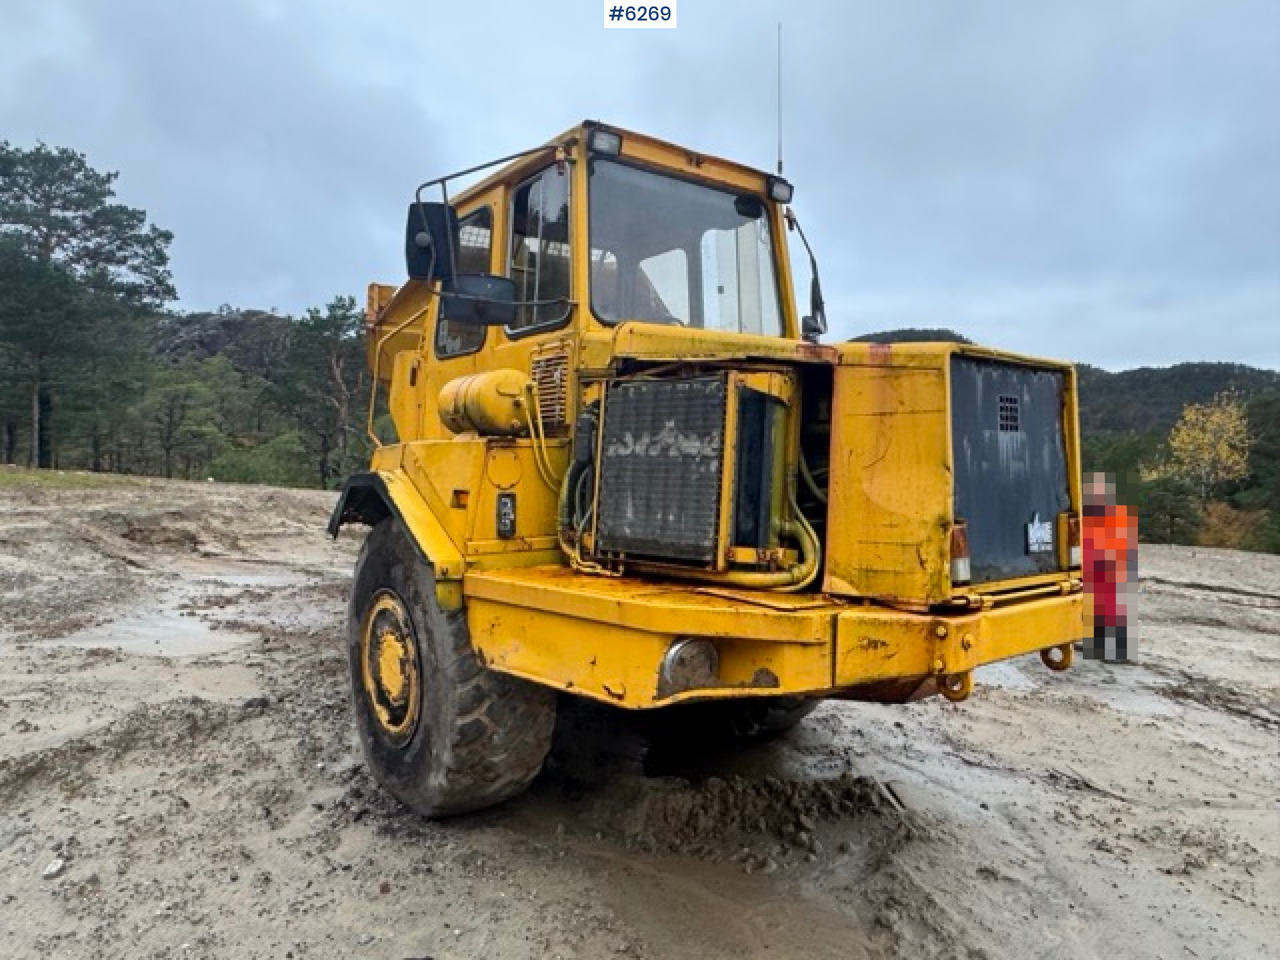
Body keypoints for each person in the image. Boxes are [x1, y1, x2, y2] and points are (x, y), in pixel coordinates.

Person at [1082, 472, 1138, 661]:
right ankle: (1101, 646)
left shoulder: (1116, 516)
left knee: (1115, 613)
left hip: (1112, 573)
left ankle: (1118, 651)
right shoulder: (1088, 518)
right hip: (1097, 572)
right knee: (1098, 612)